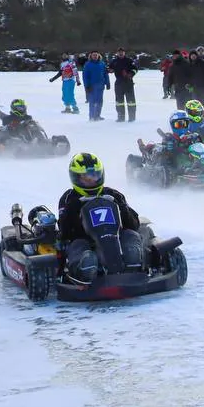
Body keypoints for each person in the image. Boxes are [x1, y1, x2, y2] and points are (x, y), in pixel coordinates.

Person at [58, 153, 144, 284]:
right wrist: (74, 210)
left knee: (131, 235)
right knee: (78, 246)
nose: (92, 180)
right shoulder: (69, 198)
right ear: (76, 177)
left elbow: (133, 225)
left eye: (95, 175)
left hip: (116, 239)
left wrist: (122, 209)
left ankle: (134, 261)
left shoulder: (113, 194)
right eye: (86, 177)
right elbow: (65, 232)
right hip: (86, 241)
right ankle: (85, 269)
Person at [109, 47, 138, 122]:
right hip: (118, 83)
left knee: (131, 101)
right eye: (119, 52)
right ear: (117, 53)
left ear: (124, 53)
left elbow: (135, 69)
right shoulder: (114, 61)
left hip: (128, 83)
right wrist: (110, 70)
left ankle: (132, 117)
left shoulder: (129, 61)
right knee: (119, 102)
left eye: (122, 52)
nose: (121, 53)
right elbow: (110, 68)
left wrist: (130, 74)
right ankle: (120, 117)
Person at [81, 51, 111, 121]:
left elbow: (105, 74)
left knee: (99, 101)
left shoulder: (102, 64)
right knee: (92, 101)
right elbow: (85, 76)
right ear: (91, 56)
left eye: (96, 55)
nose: (95, 56)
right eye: (93, 55)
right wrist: (87, 85)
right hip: (91, 86)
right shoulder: (87, 65)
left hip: (100, 86)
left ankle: (97, 116)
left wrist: (108, 83)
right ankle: (91, 116)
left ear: (98, 56)